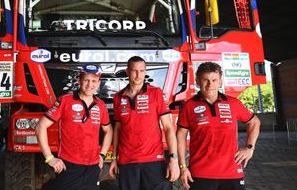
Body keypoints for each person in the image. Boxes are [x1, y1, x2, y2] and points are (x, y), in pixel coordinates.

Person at [176, 62, 261, 190]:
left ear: (220, 81)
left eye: (214, 80)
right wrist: (182, 167)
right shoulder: (189, 106)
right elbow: (181, 135)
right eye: (206, 80)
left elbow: (254, 122)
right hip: (200, 174)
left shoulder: (233, 103)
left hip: (231, 173)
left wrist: (250, 147)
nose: (210, 84)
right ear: (198, 82)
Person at [35, 64, 113, 190]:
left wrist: (102, 155)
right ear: (79, 81)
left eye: (94, 81)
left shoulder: (101, 105)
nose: (89, 85)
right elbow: (40, 127)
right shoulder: (65, 100)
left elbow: (108, 130)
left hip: (92, 168)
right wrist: (49, 158)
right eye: (86, 80)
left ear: (98, 83)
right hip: (68, 166)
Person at [109, 56, 180, 190]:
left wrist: (173, 158)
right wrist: (114, 158)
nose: (138, 75)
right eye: (134, 71)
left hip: (153, 160)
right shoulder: (118, 97)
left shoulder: (156, 93)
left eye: (142, 71)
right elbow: (118, 129)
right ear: (127, 71)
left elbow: (169, 128)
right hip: (126, 162)